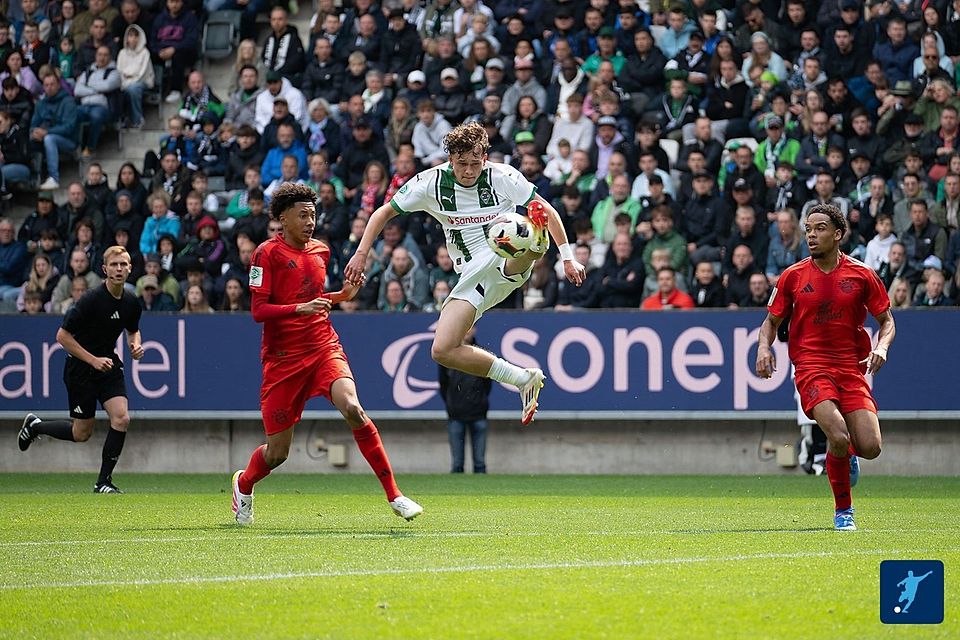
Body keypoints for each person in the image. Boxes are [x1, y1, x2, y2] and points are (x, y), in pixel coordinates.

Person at [345, 122, 586, 424]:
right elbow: (383, 212)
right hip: (470, 274)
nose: (469, 170)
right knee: (442, 349)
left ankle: (536, 242)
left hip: (502, 257)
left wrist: (568, 258)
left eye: (475, 163)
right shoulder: (430, 183)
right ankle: (522, 378)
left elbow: (547, 209)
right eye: (462, 164)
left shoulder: (503, 176)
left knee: (522, 246)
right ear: (451, 159)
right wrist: (361, 253)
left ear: (485, 157)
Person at [233, 183, 422, 526]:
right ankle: (243, 484)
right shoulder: (266, 254)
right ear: (282, 219)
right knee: (277, 454)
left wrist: (343, 295)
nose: (310, 222)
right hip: (283, 359)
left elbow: (318, 300)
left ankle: (395, 495)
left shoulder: (321, 250)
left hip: (323, 347)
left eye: (313, 215)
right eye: (302, 215)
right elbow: (259, 311)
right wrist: (299, 307)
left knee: (353, 408)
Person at [756, 203, 895, 531]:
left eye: (819, 228)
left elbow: (887, 321)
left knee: (871, 447)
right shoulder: (793, 276)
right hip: (810, 367)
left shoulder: (862, 274)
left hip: (850, 368)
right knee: (836, 433)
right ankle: (843, 511)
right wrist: (764, 347)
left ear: (838, 234)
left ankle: (848, 457)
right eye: (808, 229)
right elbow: (770, 322)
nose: (811, 235)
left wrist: (882, 347)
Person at [19, 246, 144, 493]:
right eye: (114, 264)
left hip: (108, 365)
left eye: (124, 264)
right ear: (105, 269)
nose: (119, 269)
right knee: (81, 433)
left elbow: (133, 329)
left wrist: (135, 345)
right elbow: (62, 336)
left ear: (130, 268)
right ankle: (36, 426)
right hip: (80, 369)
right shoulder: (90, 300)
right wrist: (92, 360)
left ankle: (103, 482)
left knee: (121, 418)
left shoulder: (131, 301)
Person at [439, 328, 491, 474]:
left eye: (470, 327)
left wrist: (481, 403)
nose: (467, 331)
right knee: (457, 464)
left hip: (478, 415)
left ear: (474, 330)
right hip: (456, 415)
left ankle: (483, 495)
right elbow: (443, 384)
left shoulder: (483, 354)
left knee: (480, 464)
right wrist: (451, 404)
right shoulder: (446, 355)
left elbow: (487, 384)